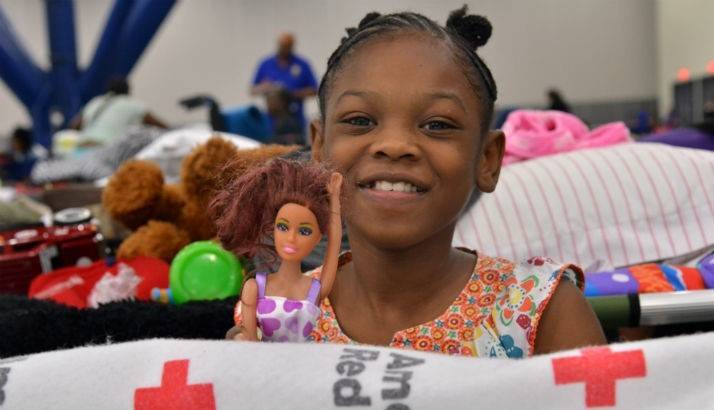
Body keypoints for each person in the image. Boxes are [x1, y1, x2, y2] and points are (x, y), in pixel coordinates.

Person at [227, 6, 605, 357]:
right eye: (360, 121)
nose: (394, 146)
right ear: (319, 149)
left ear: (487, 159)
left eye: (437, 125)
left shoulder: (543, 314)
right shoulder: (273, 317)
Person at [214, 159, 342, 342]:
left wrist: (335, 199)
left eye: (304, 231)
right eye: (283, 227)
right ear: (272, 229)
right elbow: (251, 342)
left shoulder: (314, 290)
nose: (291, 238)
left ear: (318, 238)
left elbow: (334, 245)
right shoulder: (254, 287)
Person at [251, 33, 318, 142]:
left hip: (295, 119)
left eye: (288, 46)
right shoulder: (266, 64)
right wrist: (267, 88)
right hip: (272, 122)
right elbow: (253, 90)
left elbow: (314, 89)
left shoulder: (302, 64)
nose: (285, 49)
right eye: (283, 45)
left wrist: (291, 94)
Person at [68, 77, 167, 147]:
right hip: (107, 149)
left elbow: (74, 125)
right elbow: (160, 126)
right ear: (128, 91)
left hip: (82, 146)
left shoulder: (96, 101)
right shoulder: (133, 105)